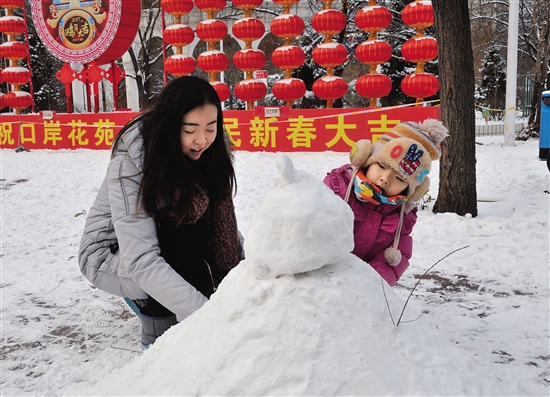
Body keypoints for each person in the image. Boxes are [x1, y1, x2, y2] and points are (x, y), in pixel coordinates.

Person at [78, 76, 243, 348]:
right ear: (170, 126)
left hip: (165, 244)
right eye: (190, 130)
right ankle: (156, 336)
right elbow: (142, 260)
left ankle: (187, 302)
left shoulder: (210, 152)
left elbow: (223, 228)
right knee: (175, 254)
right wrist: (211, 316)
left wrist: (243, 278)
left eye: (211, 128)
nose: (202, 139)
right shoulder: (132, 163)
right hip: (111, 254)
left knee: (192, 242)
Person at [323, 119, 448, 286]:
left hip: (357, 288)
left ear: (413, 191)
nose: (385, 179)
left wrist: (368, 286)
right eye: (381, 166)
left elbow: (392, 262)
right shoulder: (338, 188)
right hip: (320, 277)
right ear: (365, 158)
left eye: (398, 178)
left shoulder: (402, 216)